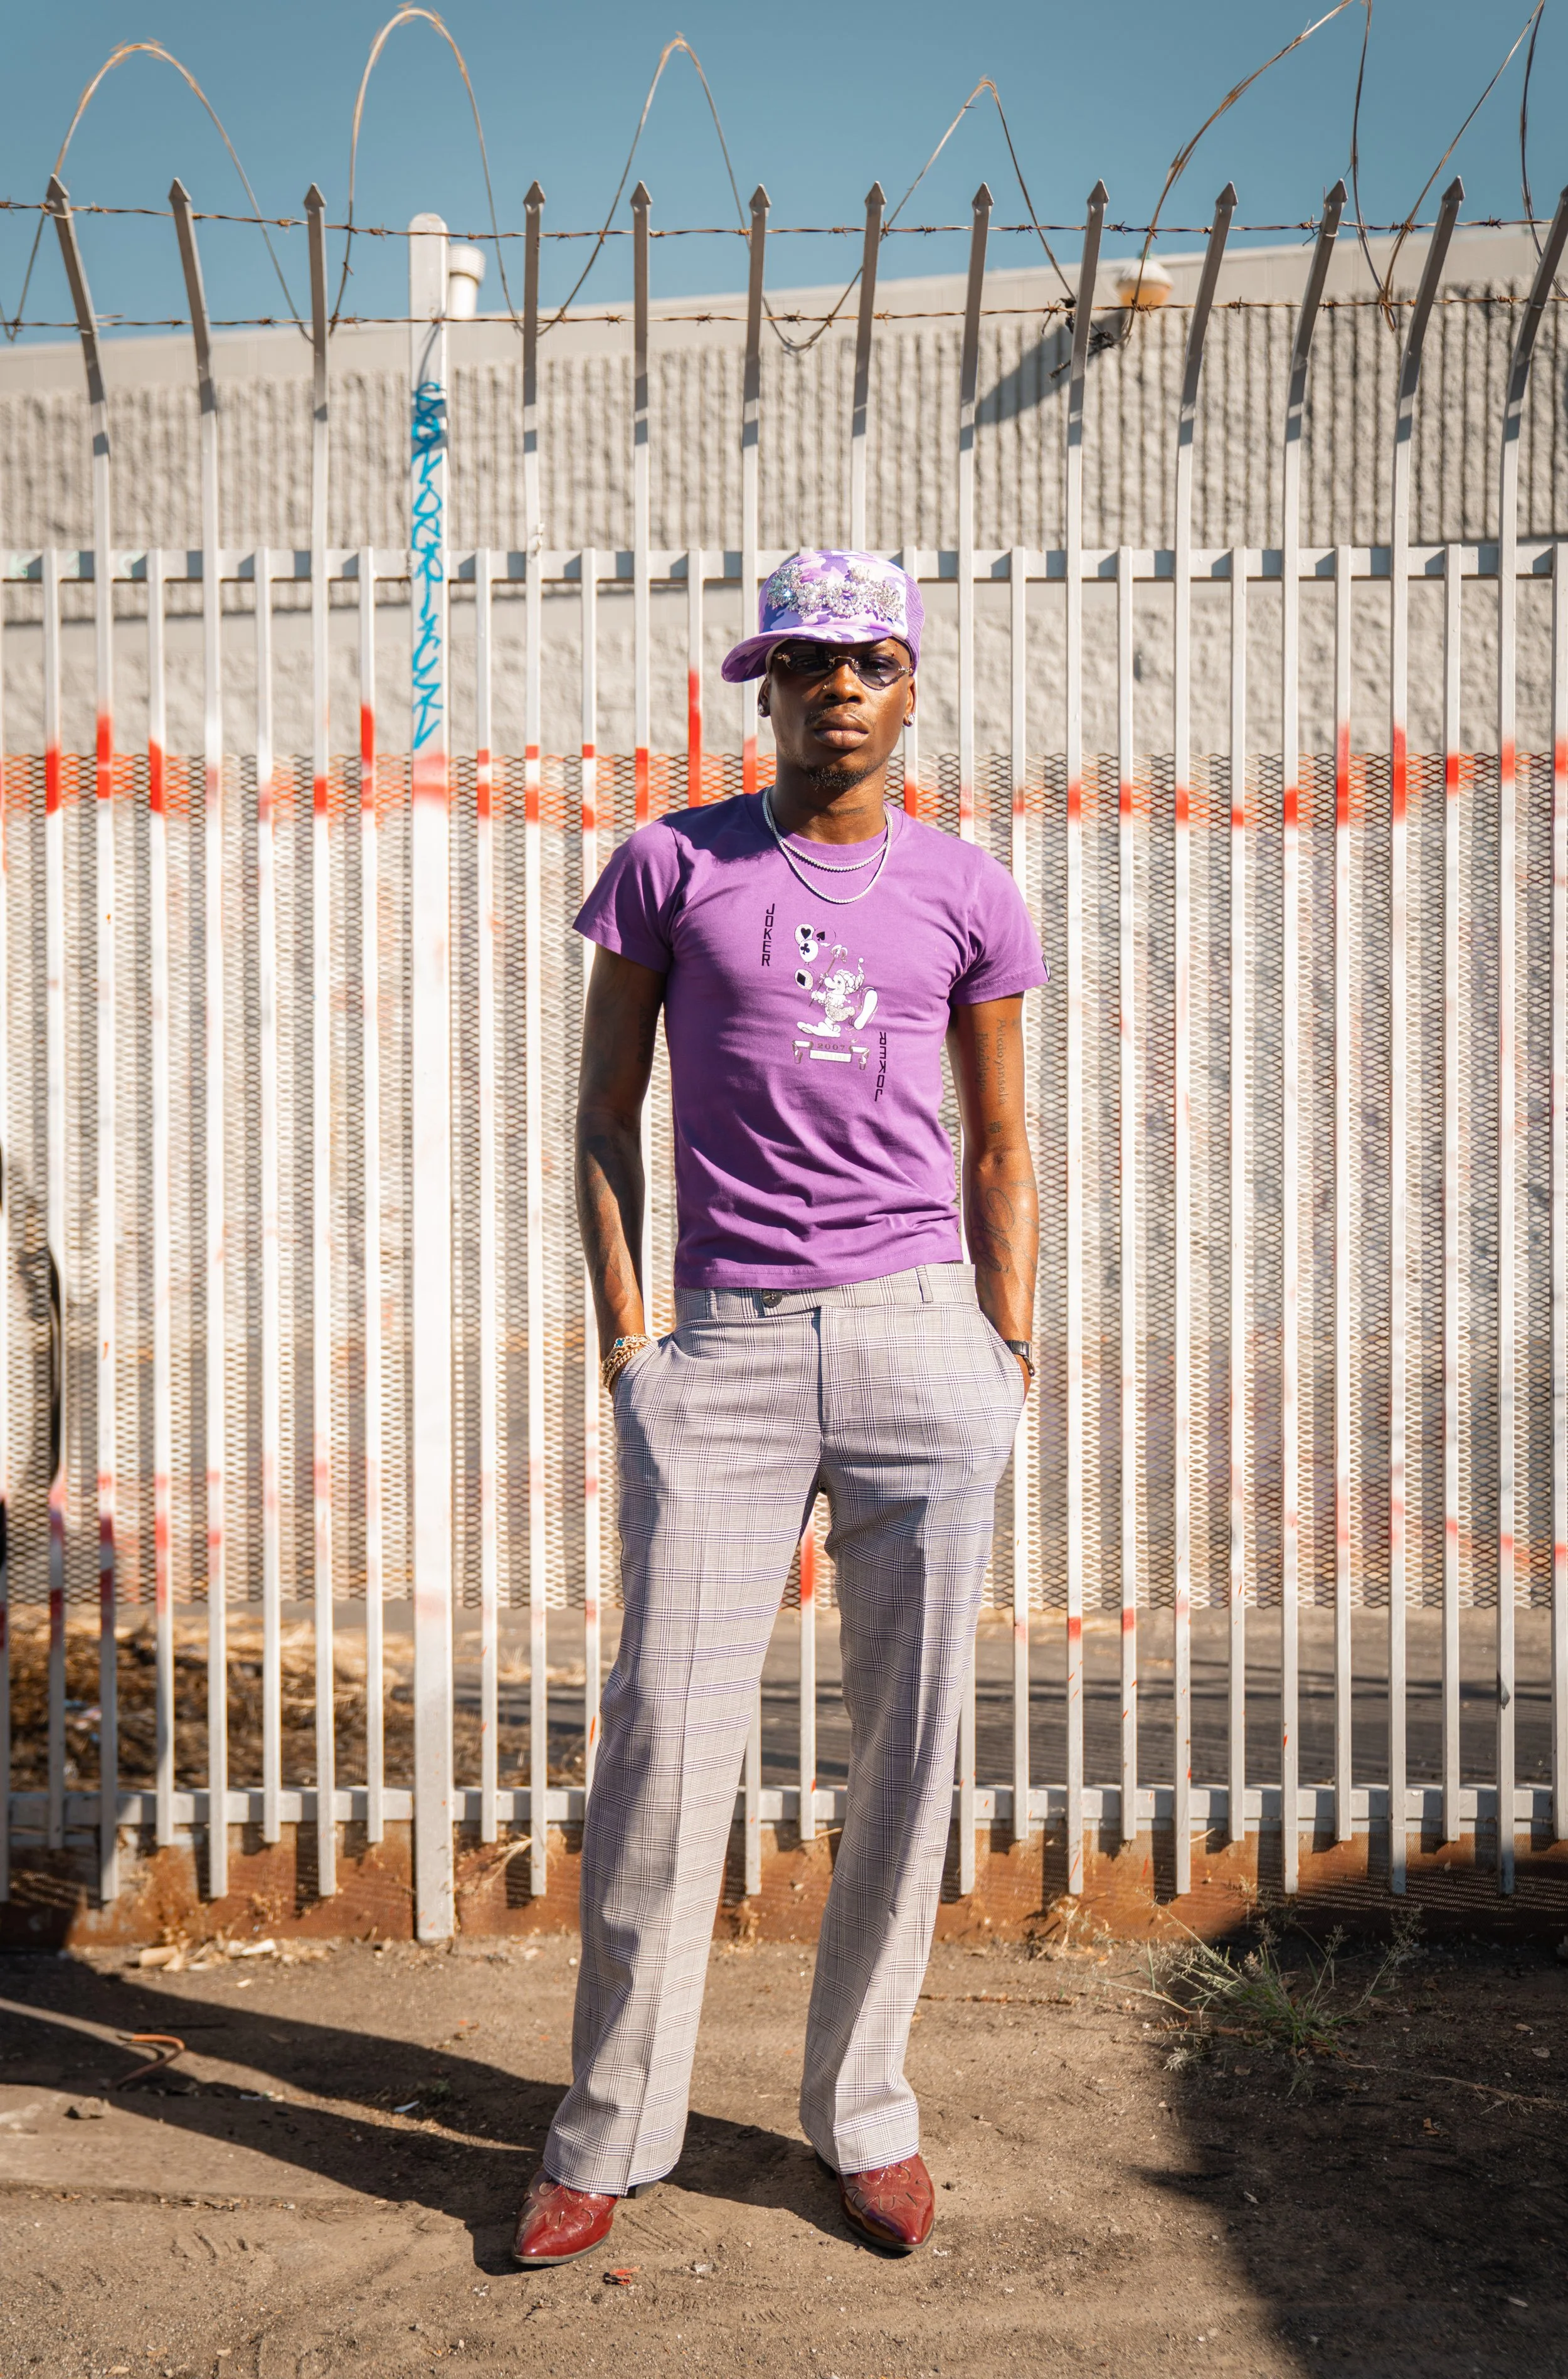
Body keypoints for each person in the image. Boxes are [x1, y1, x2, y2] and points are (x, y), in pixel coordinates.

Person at [513, 549, 1046, 2267]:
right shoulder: (669, 867)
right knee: (666, 1748)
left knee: (912, 1742)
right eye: (806, 659)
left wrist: (1004, 1352)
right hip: (724, 1354)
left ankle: (863, 2112)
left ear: (909, 686)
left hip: (916, 1350)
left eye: (869, 660)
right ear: (764, 683)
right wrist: (629, 1348)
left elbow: (1000, 1141)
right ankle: (610, 2128)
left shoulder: (967, 889)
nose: (837, 687)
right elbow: (603, 1116)